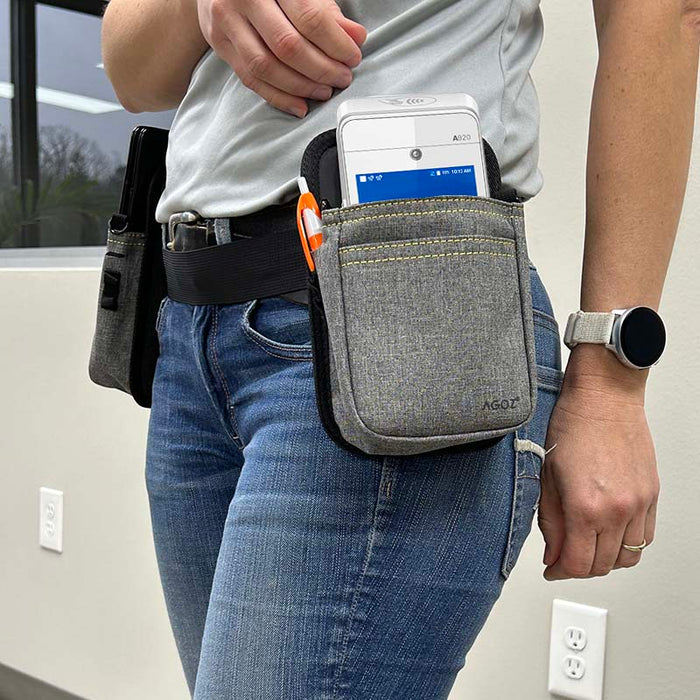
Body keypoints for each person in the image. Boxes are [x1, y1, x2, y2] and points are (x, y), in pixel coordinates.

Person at [101, 1, 698, 698]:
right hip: (191, 328)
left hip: (398, 315)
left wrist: (612, 379)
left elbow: (657, 15)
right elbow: (129, 72)